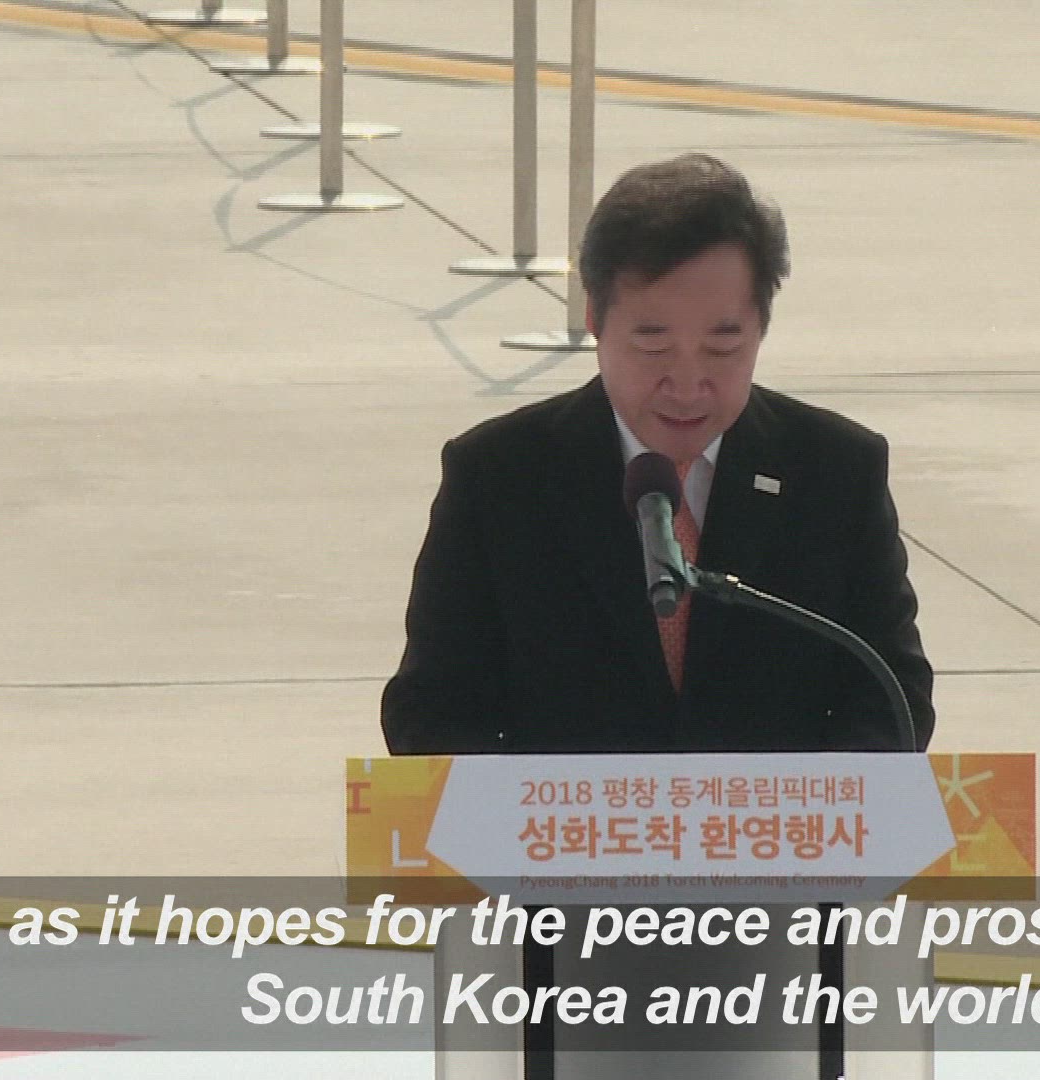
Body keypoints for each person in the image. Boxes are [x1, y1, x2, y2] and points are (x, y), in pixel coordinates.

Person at [382, 153, 932, 754]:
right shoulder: (499, 476)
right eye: (652, 344)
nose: (687, 384)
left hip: (770, 818)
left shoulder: (835, 471)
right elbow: (432, 712)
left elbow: (891, 698)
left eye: (723, 346)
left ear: (761, 328)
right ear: (594, 320)